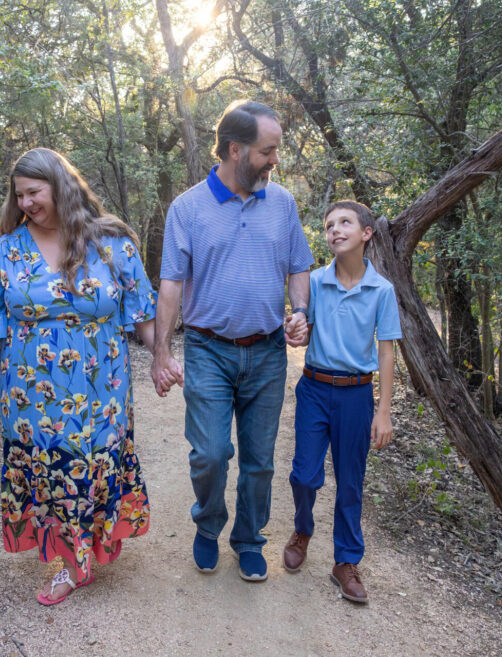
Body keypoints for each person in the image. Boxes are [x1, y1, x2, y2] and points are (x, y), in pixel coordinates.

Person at [0, 147, 156, 606]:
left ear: (60, 186)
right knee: (49, 470)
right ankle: (72, 555)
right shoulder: (9, 248)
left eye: (34, 192)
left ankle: (81, 552)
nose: (26, 202)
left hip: (100, 391)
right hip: (31, 394)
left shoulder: (112, 243)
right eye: (20, 195)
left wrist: (163, 356)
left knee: (93, 464)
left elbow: (141, 309)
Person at [152, 100, 314, 582]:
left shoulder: (282, 202)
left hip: (267, 352)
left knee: (260, 461)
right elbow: (172, 285)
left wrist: (300, 312)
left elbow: (298, 265)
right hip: (208, 349)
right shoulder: (187, 208)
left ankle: (248, 539)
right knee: (210, 452)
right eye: (268, 151)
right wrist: (161, 351)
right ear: (235, 149)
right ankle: (208, 526)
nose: (275, 160)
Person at [281, 200, 401, 604]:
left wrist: (383, 411)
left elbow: (386, 351)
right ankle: (302, 530)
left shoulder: (382, 291)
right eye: (329, 224)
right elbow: (301, 326)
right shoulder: (314, 282)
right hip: (314, 388)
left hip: (356, 395)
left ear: (366, 233)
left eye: (345, 222)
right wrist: (295, 328)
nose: (335, 229)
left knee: (351, 480)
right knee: (304, 474)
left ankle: (346, 561)